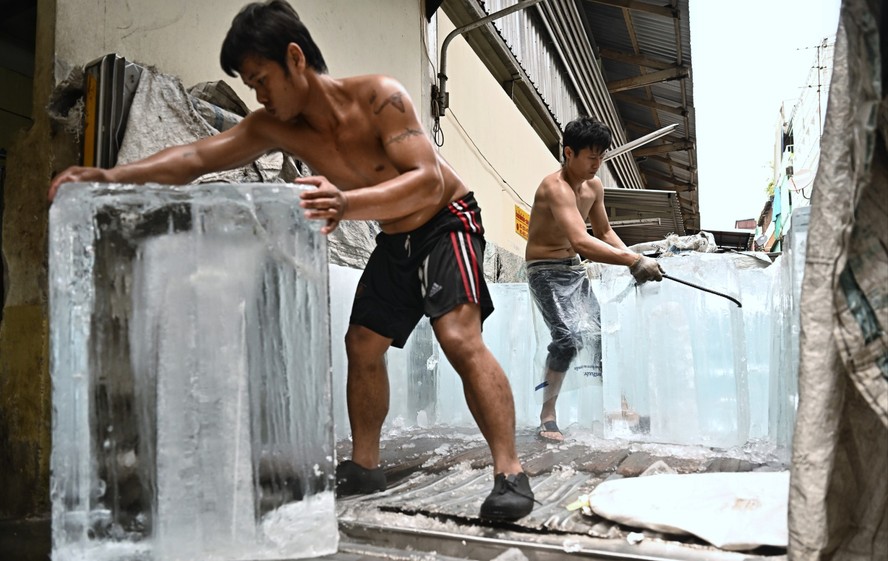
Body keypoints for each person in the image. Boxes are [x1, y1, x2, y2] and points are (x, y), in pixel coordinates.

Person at [48, 0, 535, 521]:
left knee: (458, 337)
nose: (258, 94)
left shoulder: (380, 98)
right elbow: (196, 157)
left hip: (447, 220)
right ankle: (365, 464)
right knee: (363, 343)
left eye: (262, 79)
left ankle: (510, 471)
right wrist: (109, 177)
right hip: (395, 236)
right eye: (249, 84)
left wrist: (347, 204)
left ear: (296, 59)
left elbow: (428, 181)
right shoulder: (273, 125)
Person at [523, 116, 662, 443]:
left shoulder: (594, 187)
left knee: (600, 338)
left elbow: (603, 231)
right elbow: (582, 241)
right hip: (543, 269)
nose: (597, 164)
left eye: (601, 156)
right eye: (590, 156)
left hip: (571, 268)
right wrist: (634, 261)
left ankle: (622, 408)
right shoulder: (554, 187)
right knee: (566, 340)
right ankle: (547, 416)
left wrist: (633, 259)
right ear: (568, 153)